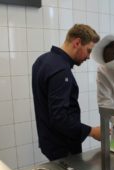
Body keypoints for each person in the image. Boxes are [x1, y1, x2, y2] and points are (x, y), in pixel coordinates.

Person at [32, 24, 101, 161]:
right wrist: (91, 132)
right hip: (63, 147)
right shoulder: (61, 70)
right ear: (77, 43)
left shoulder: (42, 60)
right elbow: (60, 118)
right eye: (88, 51)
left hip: (48, 142)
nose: (88, 57)